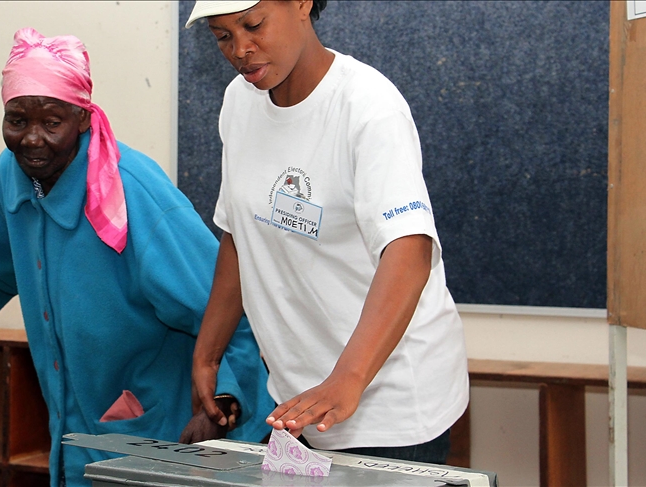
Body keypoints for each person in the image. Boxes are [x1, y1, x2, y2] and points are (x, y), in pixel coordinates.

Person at [0, 27, 273, 486]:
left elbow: (224, 306)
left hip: (168, 431)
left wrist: (223, 402)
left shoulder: (134, 194)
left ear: (84, 118)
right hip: (74, 424)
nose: (32, 139)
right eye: (16, 119)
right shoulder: (11, 175)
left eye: (52, 122)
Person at [185, 0, 470, 464]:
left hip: (389, 401)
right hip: (299, 400)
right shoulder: (239, 101)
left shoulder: (368, 107)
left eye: (253, 25)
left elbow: (409, 251)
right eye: (222, 36)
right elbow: (241, 233)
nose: (240, 49)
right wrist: (208, 353)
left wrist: (349, 378)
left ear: (302, 4)